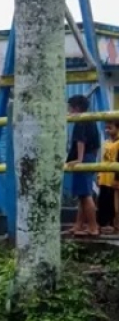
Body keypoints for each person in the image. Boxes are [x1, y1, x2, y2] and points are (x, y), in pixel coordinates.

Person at [66, 94, 101, 237]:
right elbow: (96, 144)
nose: (69, 111)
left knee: (86, 195)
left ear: (77, 108)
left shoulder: (81, 120)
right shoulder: (90, 120)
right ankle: (78, 225)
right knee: (82, 194)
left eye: (70, 108)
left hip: (85, 157)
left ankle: (93, 227)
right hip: (90, 156)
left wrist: (79, 159)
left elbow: (81, 141)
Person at [99, 120, 119, 234]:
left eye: (110, 127)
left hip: (113, 178)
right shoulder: (106, 142)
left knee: (113, 204)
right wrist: (99, 175)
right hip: (104, 177)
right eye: (106, 128)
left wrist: (117, 178)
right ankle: (104, 224)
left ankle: (113, 225)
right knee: (103, 202)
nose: (107, 129)